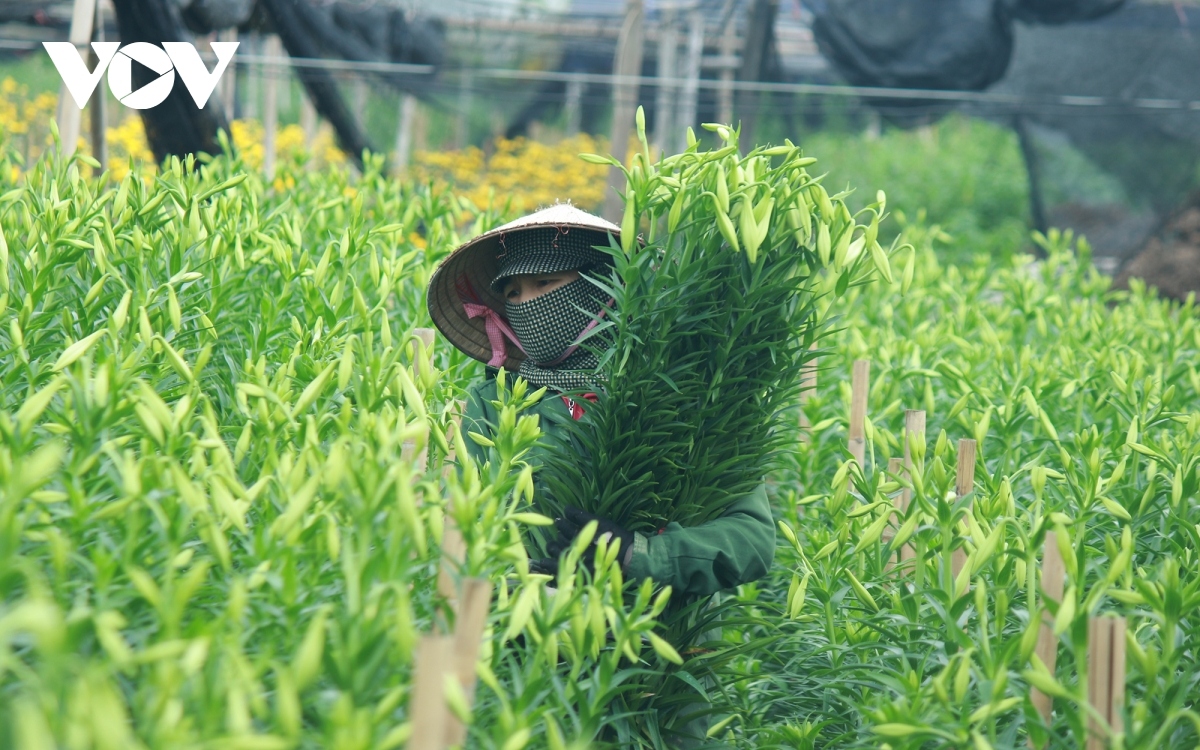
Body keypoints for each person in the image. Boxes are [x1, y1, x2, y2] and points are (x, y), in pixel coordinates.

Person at [425, 204, 775, 744]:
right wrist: (515, 580)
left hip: (654, 679)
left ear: (603, 287)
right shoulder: (495, 399)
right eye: (514, 294)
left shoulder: (682, 397)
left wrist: (637, 554)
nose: (528, 304)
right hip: (528, 671)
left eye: (546, 282)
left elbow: (751, 541)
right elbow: (460, 533)